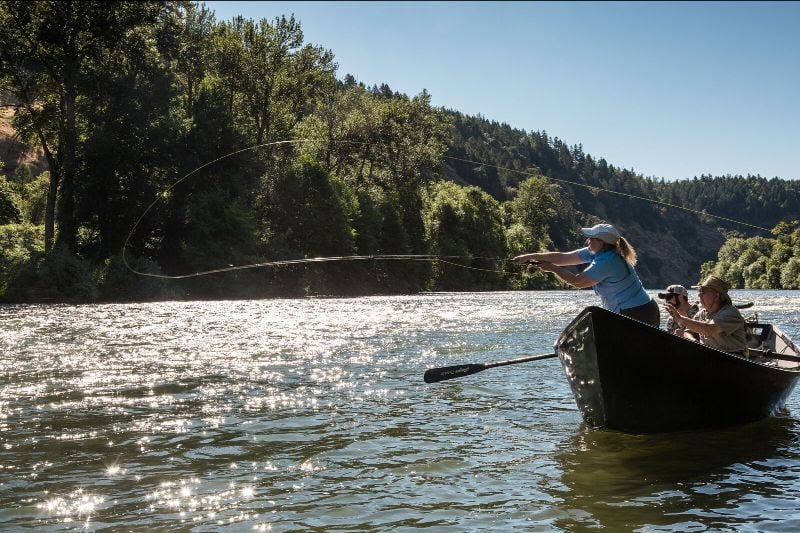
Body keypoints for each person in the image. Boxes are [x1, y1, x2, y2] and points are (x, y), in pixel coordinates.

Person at [513, 223, 660, 327]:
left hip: (638, 314)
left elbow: (578, 282)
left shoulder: (608, 261)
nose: (587, 240)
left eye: (591, 238)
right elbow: (563, 258)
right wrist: (528, 256)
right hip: (637, 311)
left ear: (601, 243)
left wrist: (553, 269)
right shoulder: (596, 251)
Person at [663, 275, 747, 354]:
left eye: (703, 292)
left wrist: (680, 318)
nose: (699, 295)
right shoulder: (702, 313)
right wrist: (694, 342)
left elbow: (708, 330)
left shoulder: (730, 312)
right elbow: (687, 332)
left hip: (733, 360)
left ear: (716, 296)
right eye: (699, 291)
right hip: (708, 358)